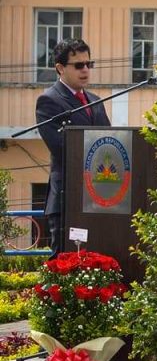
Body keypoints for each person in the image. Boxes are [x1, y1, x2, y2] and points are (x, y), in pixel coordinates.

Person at [36, 38, 110, 257]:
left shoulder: (95, 100)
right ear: (60, 68)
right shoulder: (49, 101)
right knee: (65, 264)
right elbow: (62, 148)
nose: (85, 70)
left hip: (98, 198)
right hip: (68, 196)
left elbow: (108, 144)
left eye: (89, 64)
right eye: (78, 65)